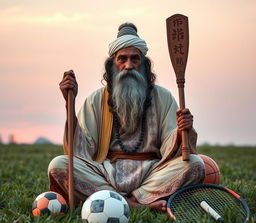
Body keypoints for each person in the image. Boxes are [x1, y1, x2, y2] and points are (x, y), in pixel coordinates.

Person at [48, 22, 205, 211]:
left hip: (151, 174)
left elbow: (170, 148)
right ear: (112, 65)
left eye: (135, 59)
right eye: (122, 59)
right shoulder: (96, 99)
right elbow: (81, 150)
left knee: (195, 164)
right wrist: (69, 104)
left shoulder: (163, 97)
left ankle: (120, 200)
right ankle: (136, 205)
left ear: (144, 65)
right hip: (107, 173)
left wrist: (182, 131)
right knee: (58, 165)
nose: (128, 65)